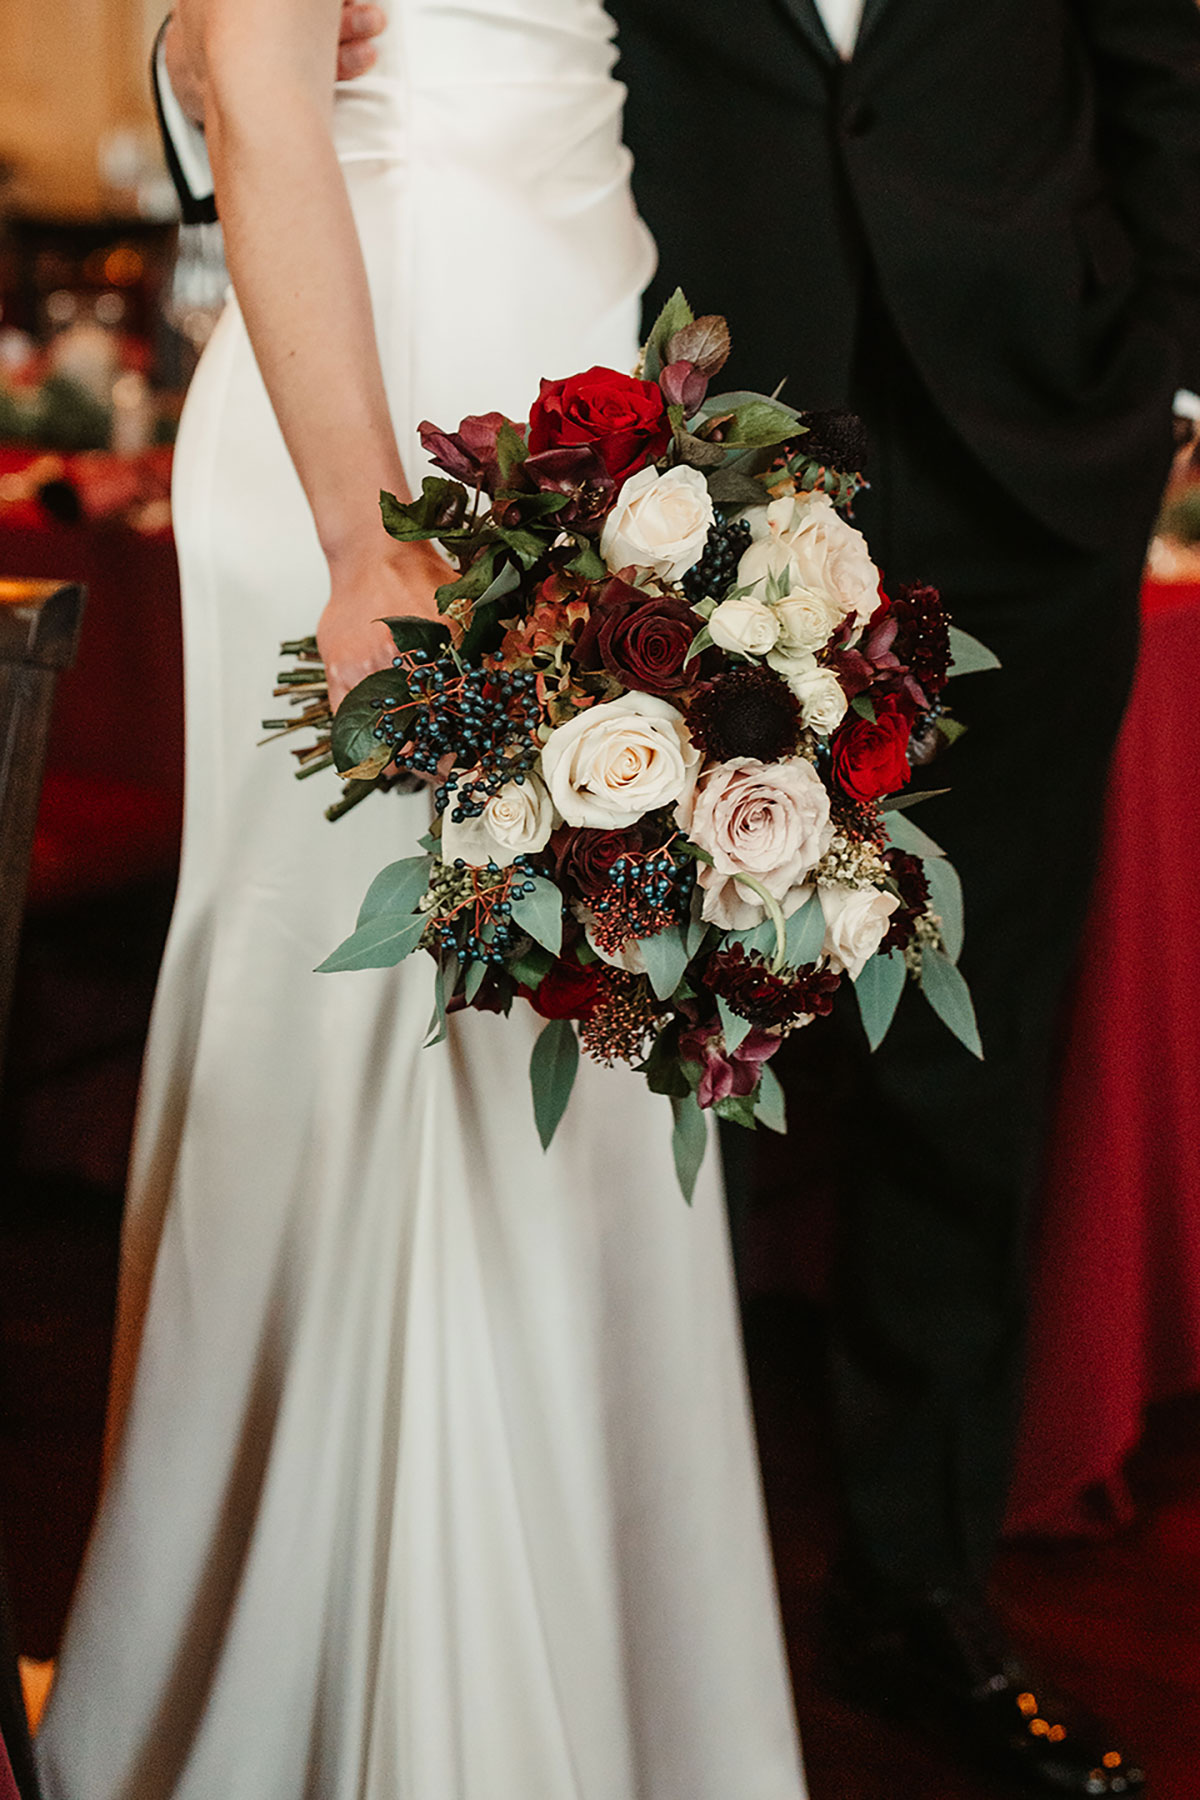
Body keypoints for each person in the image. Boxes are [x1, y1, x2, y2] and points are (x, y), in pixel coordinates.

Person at [36, 4, 808, 1797]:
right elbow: (261, 80)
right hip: (381, 406)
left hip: (558, 378)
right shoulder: (367, 502)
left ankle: (589, 1695)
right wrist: (355, 532)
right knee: (380, 1040)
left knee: (551, 1053)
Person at [605, 0, 1200, 1795]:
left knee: (975, 1036)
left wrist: (1165, 371)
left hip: (1030, 451)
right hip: (702, 478)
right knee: (656, 1033)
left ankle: (915, 1581)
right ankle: (623, 1566)